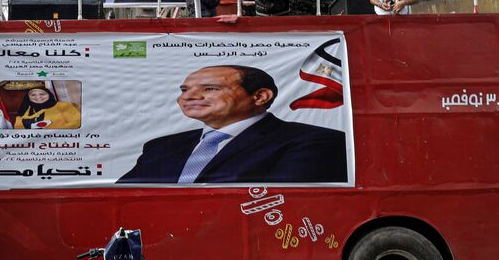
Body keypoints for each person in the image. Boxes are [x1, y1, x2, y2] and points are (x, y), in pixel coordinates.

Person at [117, 65, 347, 184]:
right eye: (185, 90)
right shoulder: (162, 147)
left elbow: (279, 202)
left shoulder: (315, 141)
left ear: (260, 97)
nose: (189, 97)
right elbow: (125, 195)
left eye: (210, 89)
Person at [13, 86, 81, 129]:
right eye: (33, 95)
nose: (38, 97)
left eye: (42, 94)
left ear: (50, 95)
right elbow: (18, 127)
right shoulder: (24, 110)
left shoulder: (64, 106)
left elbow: (77, 123)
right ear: (28, 98)